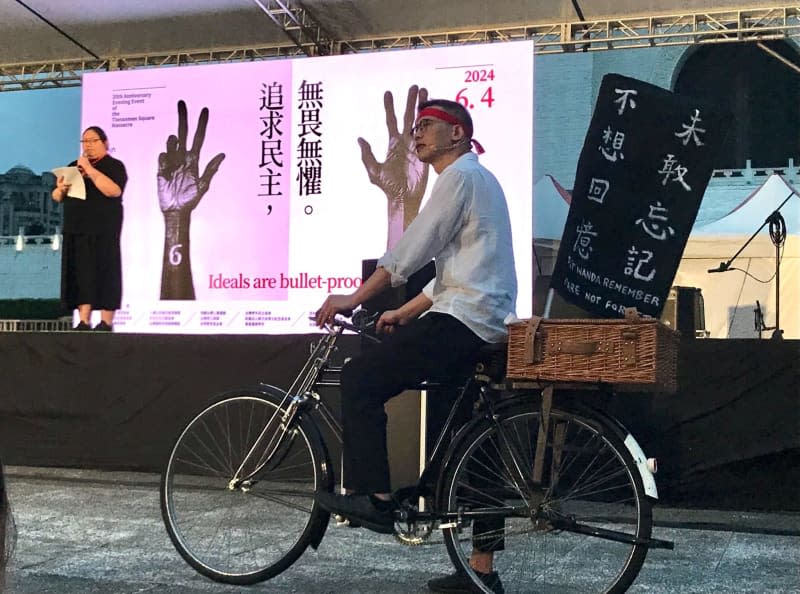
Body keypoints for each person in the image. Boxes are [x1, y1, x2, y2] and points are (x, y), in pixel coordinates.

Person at [315, 98, 516, 594]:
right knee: (472, 443)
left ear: (459, 134)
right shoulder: (477, 180)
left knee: (361, 378)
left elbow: (411, 250)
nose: (417, 134)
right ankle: (481, 572)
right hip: (482, 321)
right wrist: (402, 313)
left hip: (464, 322)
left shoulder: (460, 178)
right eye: (415, 127)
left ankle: (377, 497)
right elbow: (453, 270)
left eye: (427, 126)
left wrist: (353, 298)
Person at [52, 126, 128, 331]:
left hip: (104, 229)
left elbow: (113, 191)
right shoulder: (73, 167)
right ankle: (83, 320)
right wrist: (60, 189)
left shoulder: (114, 166)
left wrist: (90, 170)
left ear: (105, 143)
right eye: (84, 141)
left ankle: (106, 321)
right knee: (80, 273)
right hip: (76, 227)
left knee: (105, 272)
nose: (88, 145)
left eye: (93, 141)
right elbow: (57, 197)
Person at [157, 100, 226, 300]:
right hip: (175, 210)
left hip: (176, 210)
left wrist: (176, 213)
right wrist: (175, 213)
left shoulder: (177, 200)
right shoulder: (174, 197)